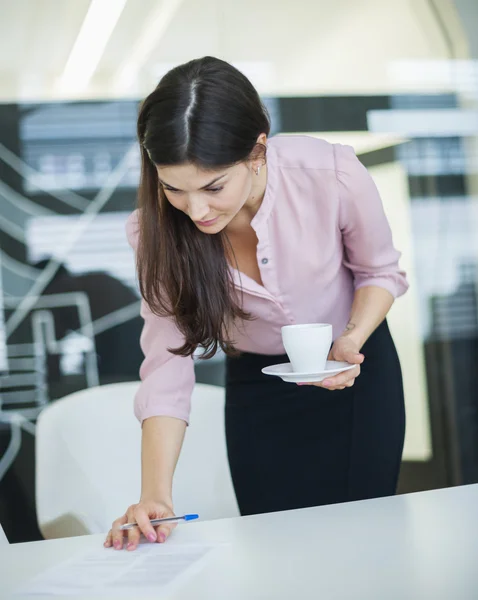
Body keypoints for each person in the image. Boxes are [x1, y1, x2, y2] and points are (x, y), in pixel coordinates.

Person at [104, 56, 408, 552]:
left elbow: (380, 272)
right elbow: (165, 365)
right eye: (173, 188)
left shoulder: (328, 171)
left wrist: (351, 337)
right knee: (276, 550)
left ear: (257, 150)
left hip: (355, 372)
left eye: (213, 186)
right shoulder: (153, 231)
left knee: (366, 542)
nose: (196, 210)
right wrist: (155, 494)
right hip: (258, 388)